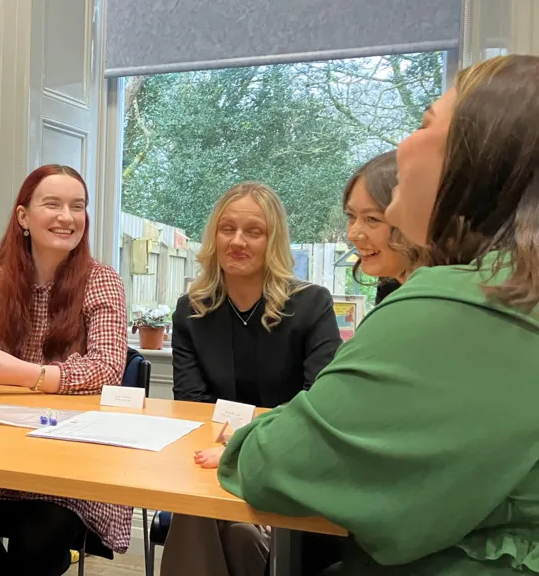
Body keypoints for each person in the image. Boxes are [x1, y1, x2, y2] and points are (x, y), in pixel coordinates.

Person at [217, 54, 539, 574]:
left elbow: (269, 463)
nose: (402, 145)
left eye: (424, 122)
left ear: (477, 161)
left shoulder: (454, 305)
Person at [0, 164, 131, 576]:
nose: (67, 217)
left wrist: (24, 373)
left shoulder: (102, 281)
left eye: (78, 206)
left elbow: (107, 369)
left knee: (41, 535)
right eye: (52, 204)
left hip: (72, 468)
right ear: (23, 217)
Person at [161, 182, 342, 576]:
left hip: (290, 462)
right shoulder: (191, 310)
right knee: (209, 516)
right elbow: (191, 402)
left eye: (254, 232)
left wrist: (245, 446)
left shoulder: (311, 304)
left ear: (272, 240)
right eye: (227, 229)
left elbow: (320, 403)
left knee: (215, 523)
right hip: (209, 461)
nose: (238, 241)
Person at [342, 151, 426, 305]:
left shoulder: (444, 301)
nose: (352, 234)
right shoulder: (391, 286)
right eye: (351, 216)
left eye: (372, 219)